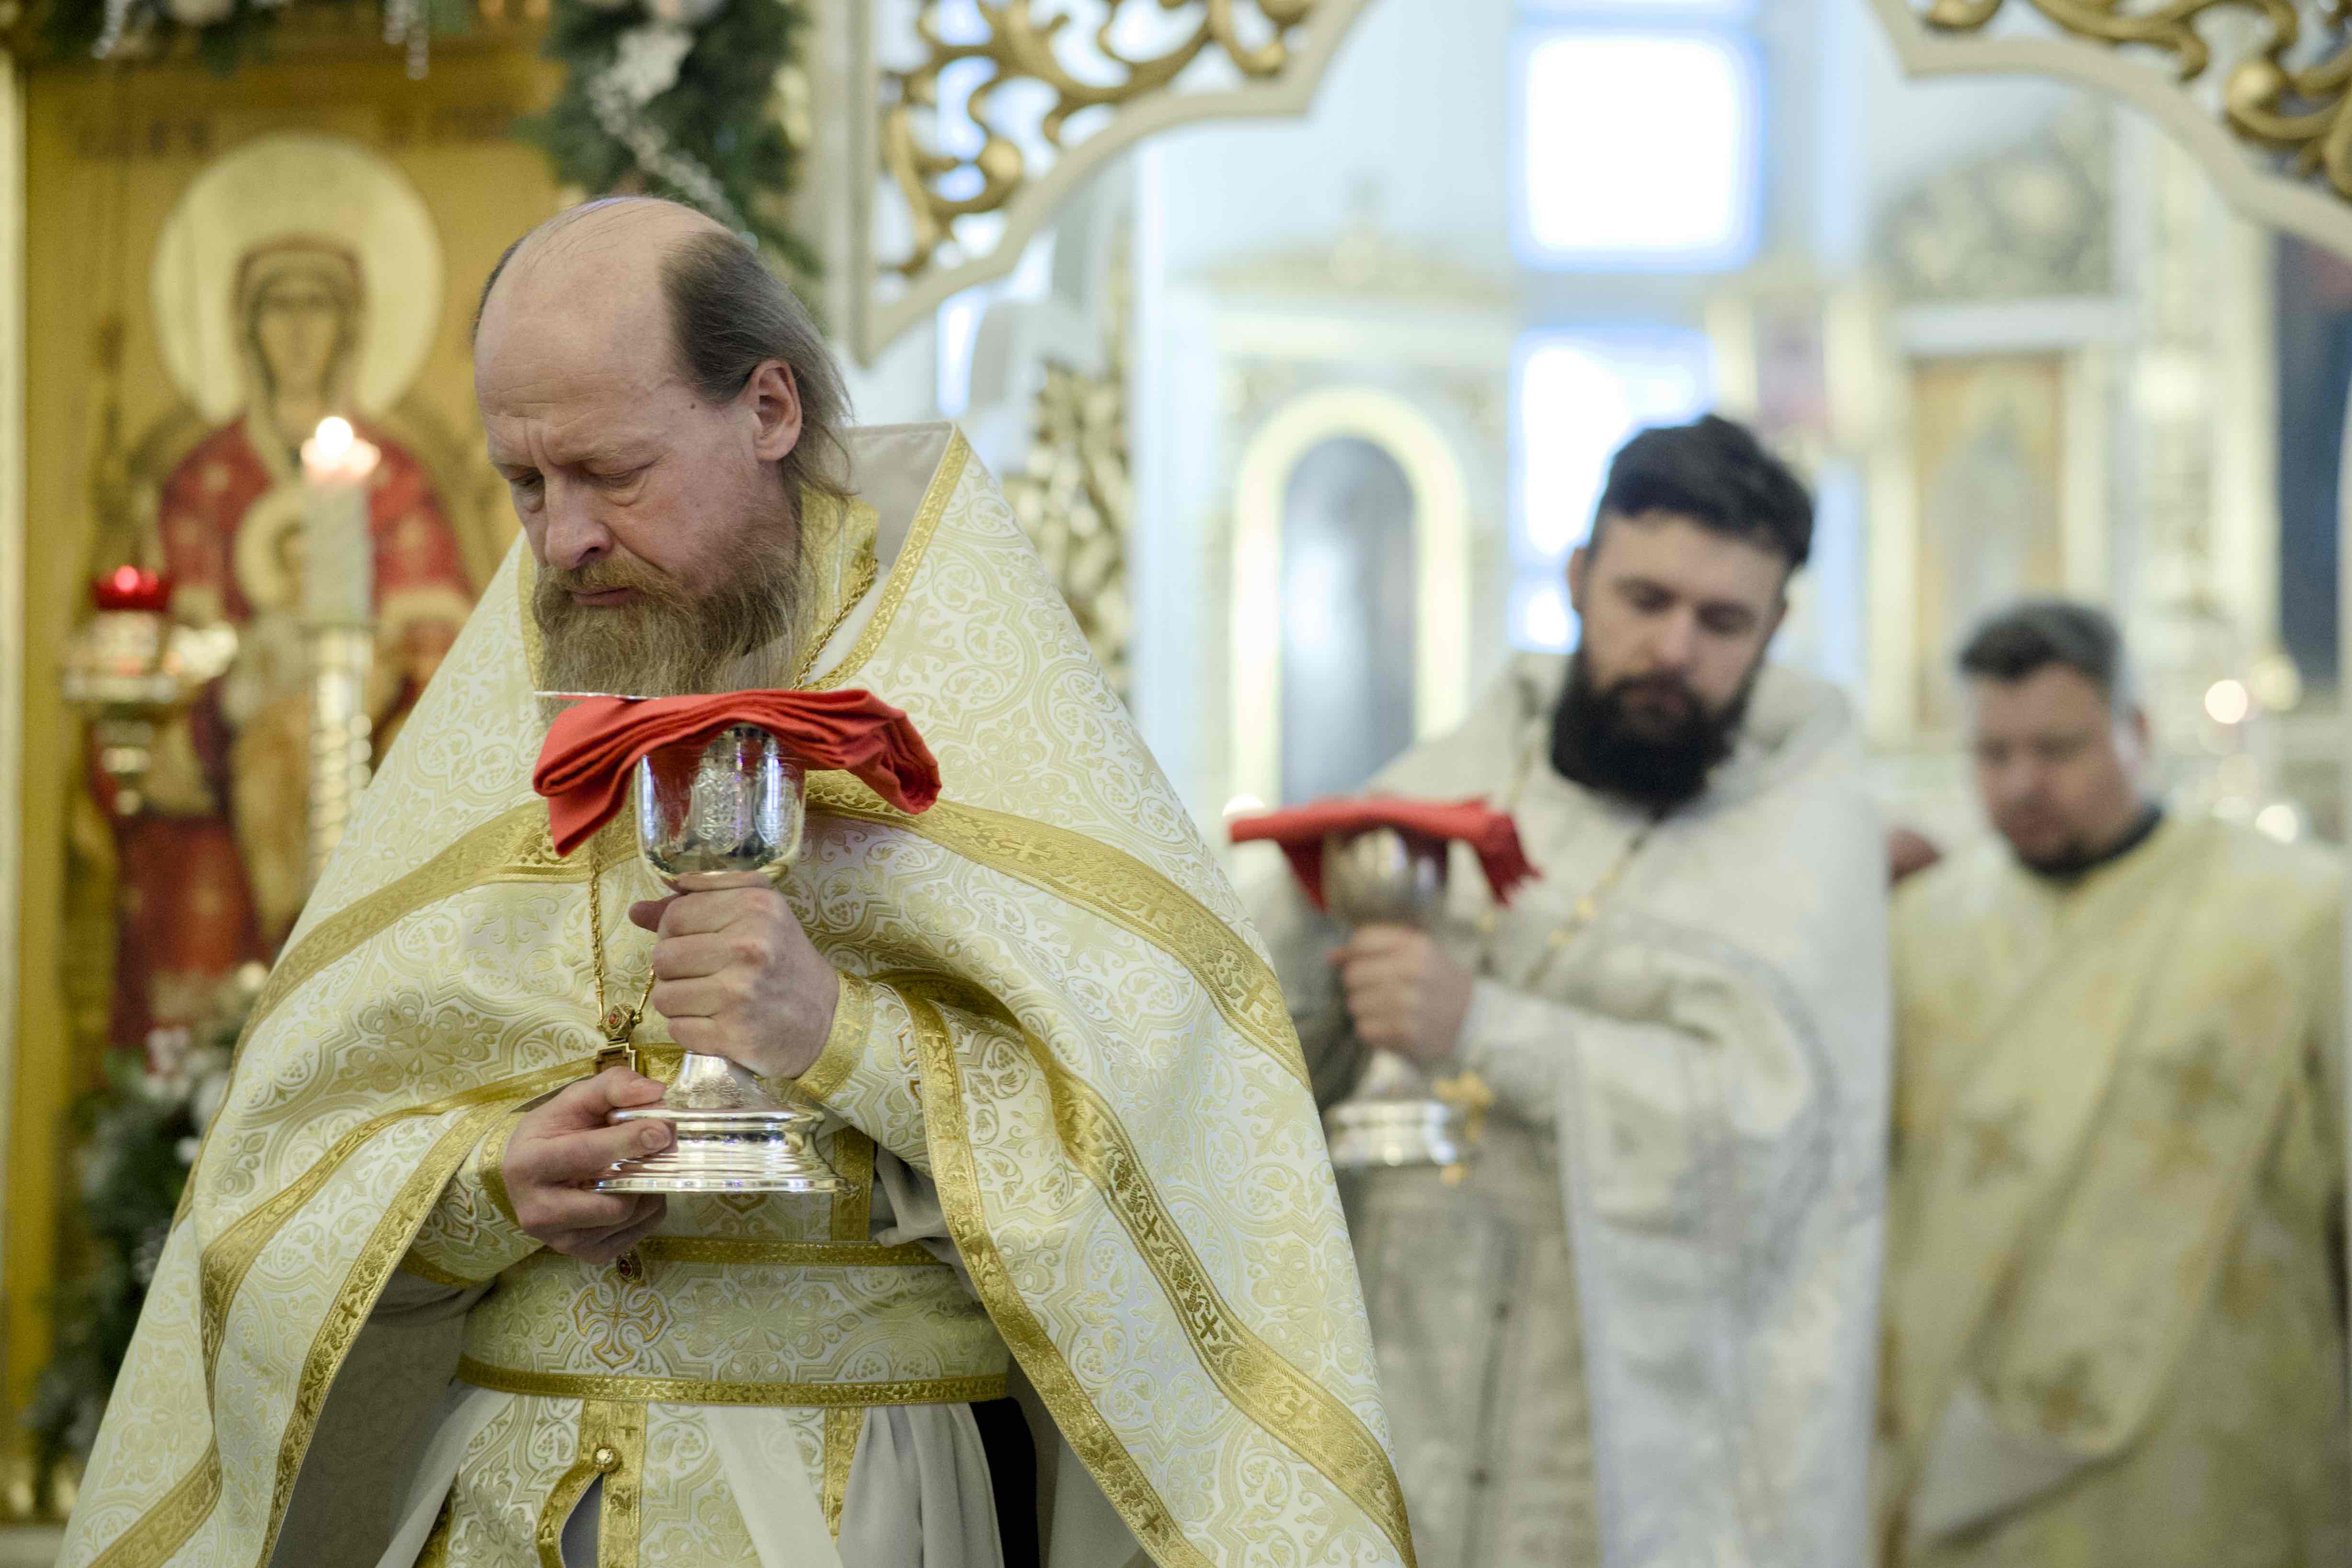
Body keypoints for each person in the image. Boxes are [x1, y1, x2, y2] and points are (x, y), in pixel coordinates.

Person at [58, 199, 1410, 1568]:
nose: (561, 539)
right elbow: (289, 1163)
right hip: (508, 1492)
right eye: (525, 484)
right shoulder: (511, 695)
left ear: (768, 407)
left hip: (860, 1494)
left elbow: (1175, 1158)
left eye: (611, 472)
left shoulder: (977, 691)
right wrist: (486, 1184)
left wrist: (843, 1034)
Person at [1248, 414, 1890, 1567]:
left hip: (1619, 1427)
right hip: (1408, 1356)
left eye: (1722, 621)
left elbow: (1780, 1137)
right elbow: (1262, 1034)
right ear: (1580, 577)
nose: (1672, 649)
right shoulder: (1462, 769)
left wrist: (1484, 1026)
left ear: (1774, 626)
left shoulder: (1807, 830)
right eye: (1645, 599)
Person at [1875, 602, 2346, 1567]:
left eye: (2057, 748)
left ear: (2135, 731)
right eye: (1993, 752)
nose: (2022, 782)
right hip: (1969, 1467)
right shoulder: (1917, 930)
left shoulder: (2297, 911)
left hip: (2215, 1452)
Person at [106, 234, 473, 1043]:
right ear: (248, 327)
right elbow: (173, 646)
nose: (300, 331)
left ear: (348, 327)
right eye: (280, 307)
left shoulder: (394, 479)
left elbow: (442, 634)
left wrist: (378, 678)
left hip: (372, 741)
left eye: (318, 307)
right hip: (231, 742)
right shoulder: (205, 479)